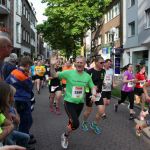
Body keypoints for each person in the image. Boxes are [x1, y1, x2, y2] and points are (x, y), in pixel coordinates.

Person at [50, 55, 96, 149]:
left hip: (80, 103)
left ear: (84, 64)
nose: (79, 64)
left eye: (81, 62)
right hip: (69, 102)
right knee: (76, 123)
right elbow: (54, 75)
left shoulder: (87, 76)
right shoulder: (68, 73)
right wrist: (51, 66)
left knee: (72, 123)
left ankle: (66, 134)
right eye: (77, 62)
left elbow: (92, 87)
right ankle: (65, 136)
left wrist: (94, 94)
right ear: (75, 63)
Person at [6, 56, 33, 136]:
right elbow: (30, 88)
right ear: (27, 65)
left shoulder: (14, 72)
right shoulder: (24, 76)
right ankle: (23, 140)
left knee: (19, 119)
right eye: (30, 66)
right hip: (23, 100)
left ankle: (24, 135)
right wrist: (29, 77)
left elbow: (7, 83)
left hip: (14, 99)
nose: (30, 68)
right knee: (26, 120)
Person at [81, 56, 105, 134]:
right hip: (90, 94)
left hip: (98, 94)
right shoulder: (89, 71)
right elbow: (85, 83)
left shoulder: (103, 71)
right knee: (88, 111)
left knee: (101, 111)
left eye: (103, 62)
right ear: (96, 62)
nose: (103, 64)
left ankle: (94, 124)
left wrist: (101, 85)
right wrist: (92, 88)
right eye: (101, 62)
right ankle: (84, 122)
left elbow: (101, 81)